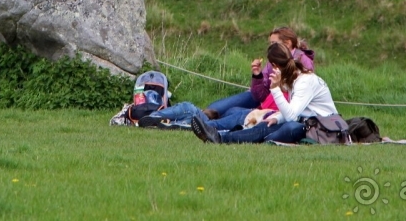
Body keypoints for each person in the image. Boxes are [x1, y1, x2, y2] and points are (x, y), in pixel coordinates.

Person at [138, 26, 313, 129]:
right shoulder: (274, 65)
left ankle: (161, 119)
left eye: (273, 44)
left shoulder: (299, 73)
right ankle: (163, 119)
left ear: (288, 44)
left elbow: (288, 107)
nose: (269, 50)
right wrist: (257, 76)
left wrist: (273, 90)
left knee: (200, 112)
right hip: (261, 103)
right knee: (213, 111)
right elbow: (261, 94)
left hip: (265, 110)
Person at [190, 41, 338, 144]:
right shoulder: (295, 77)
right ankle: (218, 134)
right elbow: (294, 111)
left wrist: (275, 89)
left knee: (283, 128)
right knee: (268, 123)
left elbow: (292, 115)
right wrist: (277, 117)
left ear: (274, 65)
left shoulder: (305, 81)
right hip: (304, 121)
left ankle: (221, 137)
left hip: (320, 127)